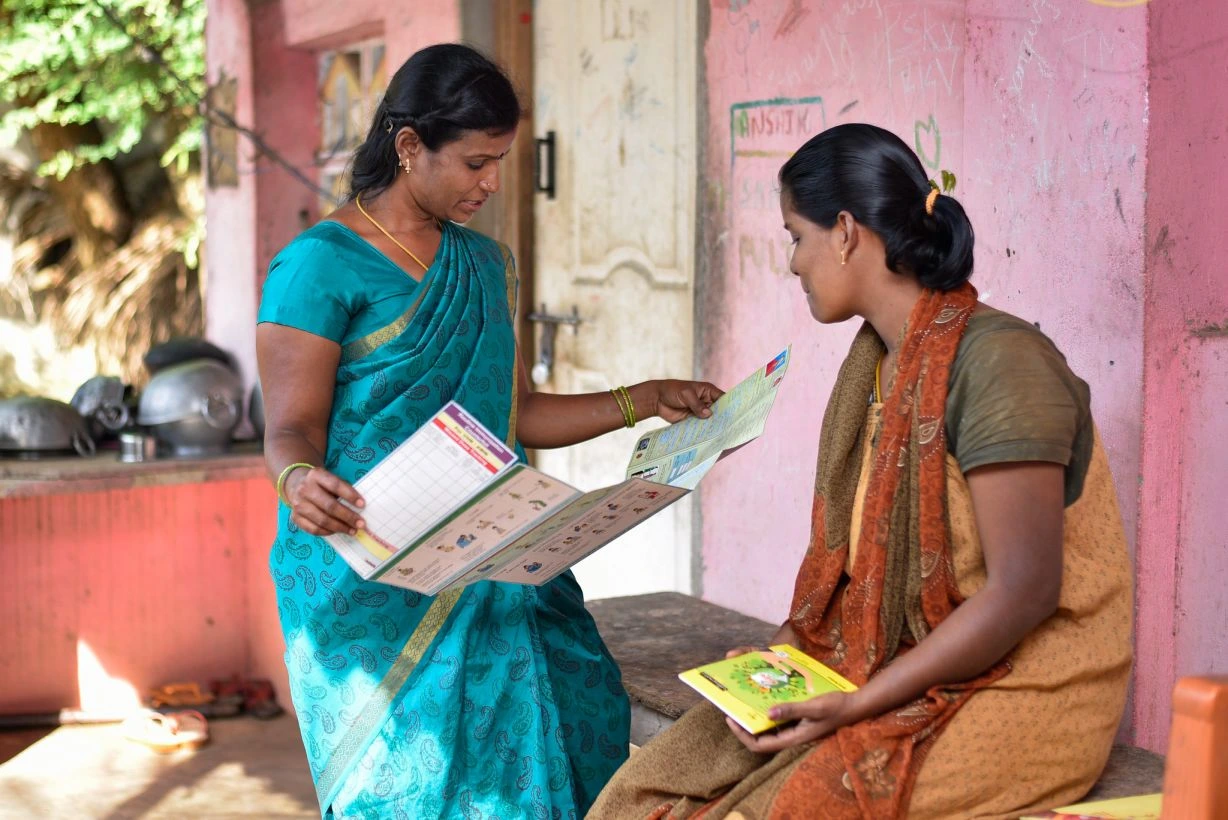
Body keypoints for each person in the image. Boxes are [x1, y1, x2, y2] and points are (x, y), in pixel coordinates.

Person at [589, 123, 1133, 819]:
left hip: (1026, 686)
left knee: (778, 806)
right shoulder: (877, 364)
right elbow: (860, 575)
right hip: (889, 663)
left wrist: (854, 705)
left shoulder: (1002, 365)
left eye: (795, 236)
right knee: (654, 785)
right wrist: (780, 660)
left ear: (844, 232)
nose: (791, 263)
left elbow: (1023, 593)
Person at [256, 43, 723, 819]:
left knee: (567, 735)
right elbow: (290, 428)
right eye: (475, 162)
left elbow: (514, 418)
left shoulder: (485, 264)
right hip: (368, 574)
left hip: (494, 561)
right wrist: (298, 481)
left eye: (500, 160)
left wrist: (641, 398)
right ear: (410, 147)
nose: (492, 183)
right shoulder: (318, 267)